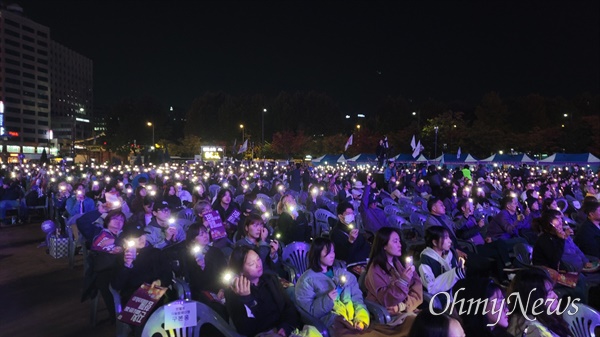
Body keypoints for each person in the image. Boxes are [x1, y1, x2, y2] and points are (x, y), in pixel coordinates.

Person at [295, 238, 391, 337]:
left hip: (353, 321)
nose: (333, 255)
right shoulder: (306, 280)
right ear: (317, 253)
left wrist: (361, 319)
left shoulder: (344, 275)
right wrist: (327, 300)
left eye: (333, 251)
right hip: (334, 323)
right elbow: (308, 312)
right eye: (328, 252)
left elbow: (357, 300)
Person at [225, 245, 303, 337]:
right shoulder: (234, 293)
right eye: (251, 264)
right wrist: (247, 299)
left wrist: (285, 328)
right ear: (240, 271)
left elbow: (288, 306)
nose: (258, 265)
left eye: (258, 259)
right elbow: (245, 329)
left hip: (283, 330)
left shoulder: (270, 279)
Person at [364, 227, 421, 333]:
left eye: (399, 241)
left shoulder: (399, 263)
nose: (399, 244)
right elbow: (387, 301)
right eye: (395, 241)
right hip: (391, 318)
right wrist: (403, 282)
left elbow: (417, 291)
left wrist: (403, 306)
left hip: (406, 311)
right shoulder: (376, 269)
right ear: (384, 245)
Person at [506, 269, 572, 337]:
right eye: (549, 293)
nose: (555, 296)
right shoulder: (533, 330)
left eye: (552, 290)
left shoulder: (544, 318)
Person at [183, 223, 228, 320]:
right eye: (200, 234)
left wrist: (223, 289)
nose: (205, 236)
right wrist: (202, 267)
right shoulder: (189, 256)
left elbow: (224, 271)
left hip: (220, 289)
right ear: (193, 239)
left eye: (205, 232)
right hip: (201, 292)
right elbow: (194, 282)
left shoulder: (216, 251)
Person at [418, 226, 466, 310]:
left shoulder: (449, 254)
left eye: (449, 237)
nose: (450, 241)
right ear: (435, 242)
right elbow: (431, 287)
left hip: (455, 292)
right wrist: (455, 274)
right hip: (441, 298)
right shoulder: (426, 260)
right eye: (446, 238)